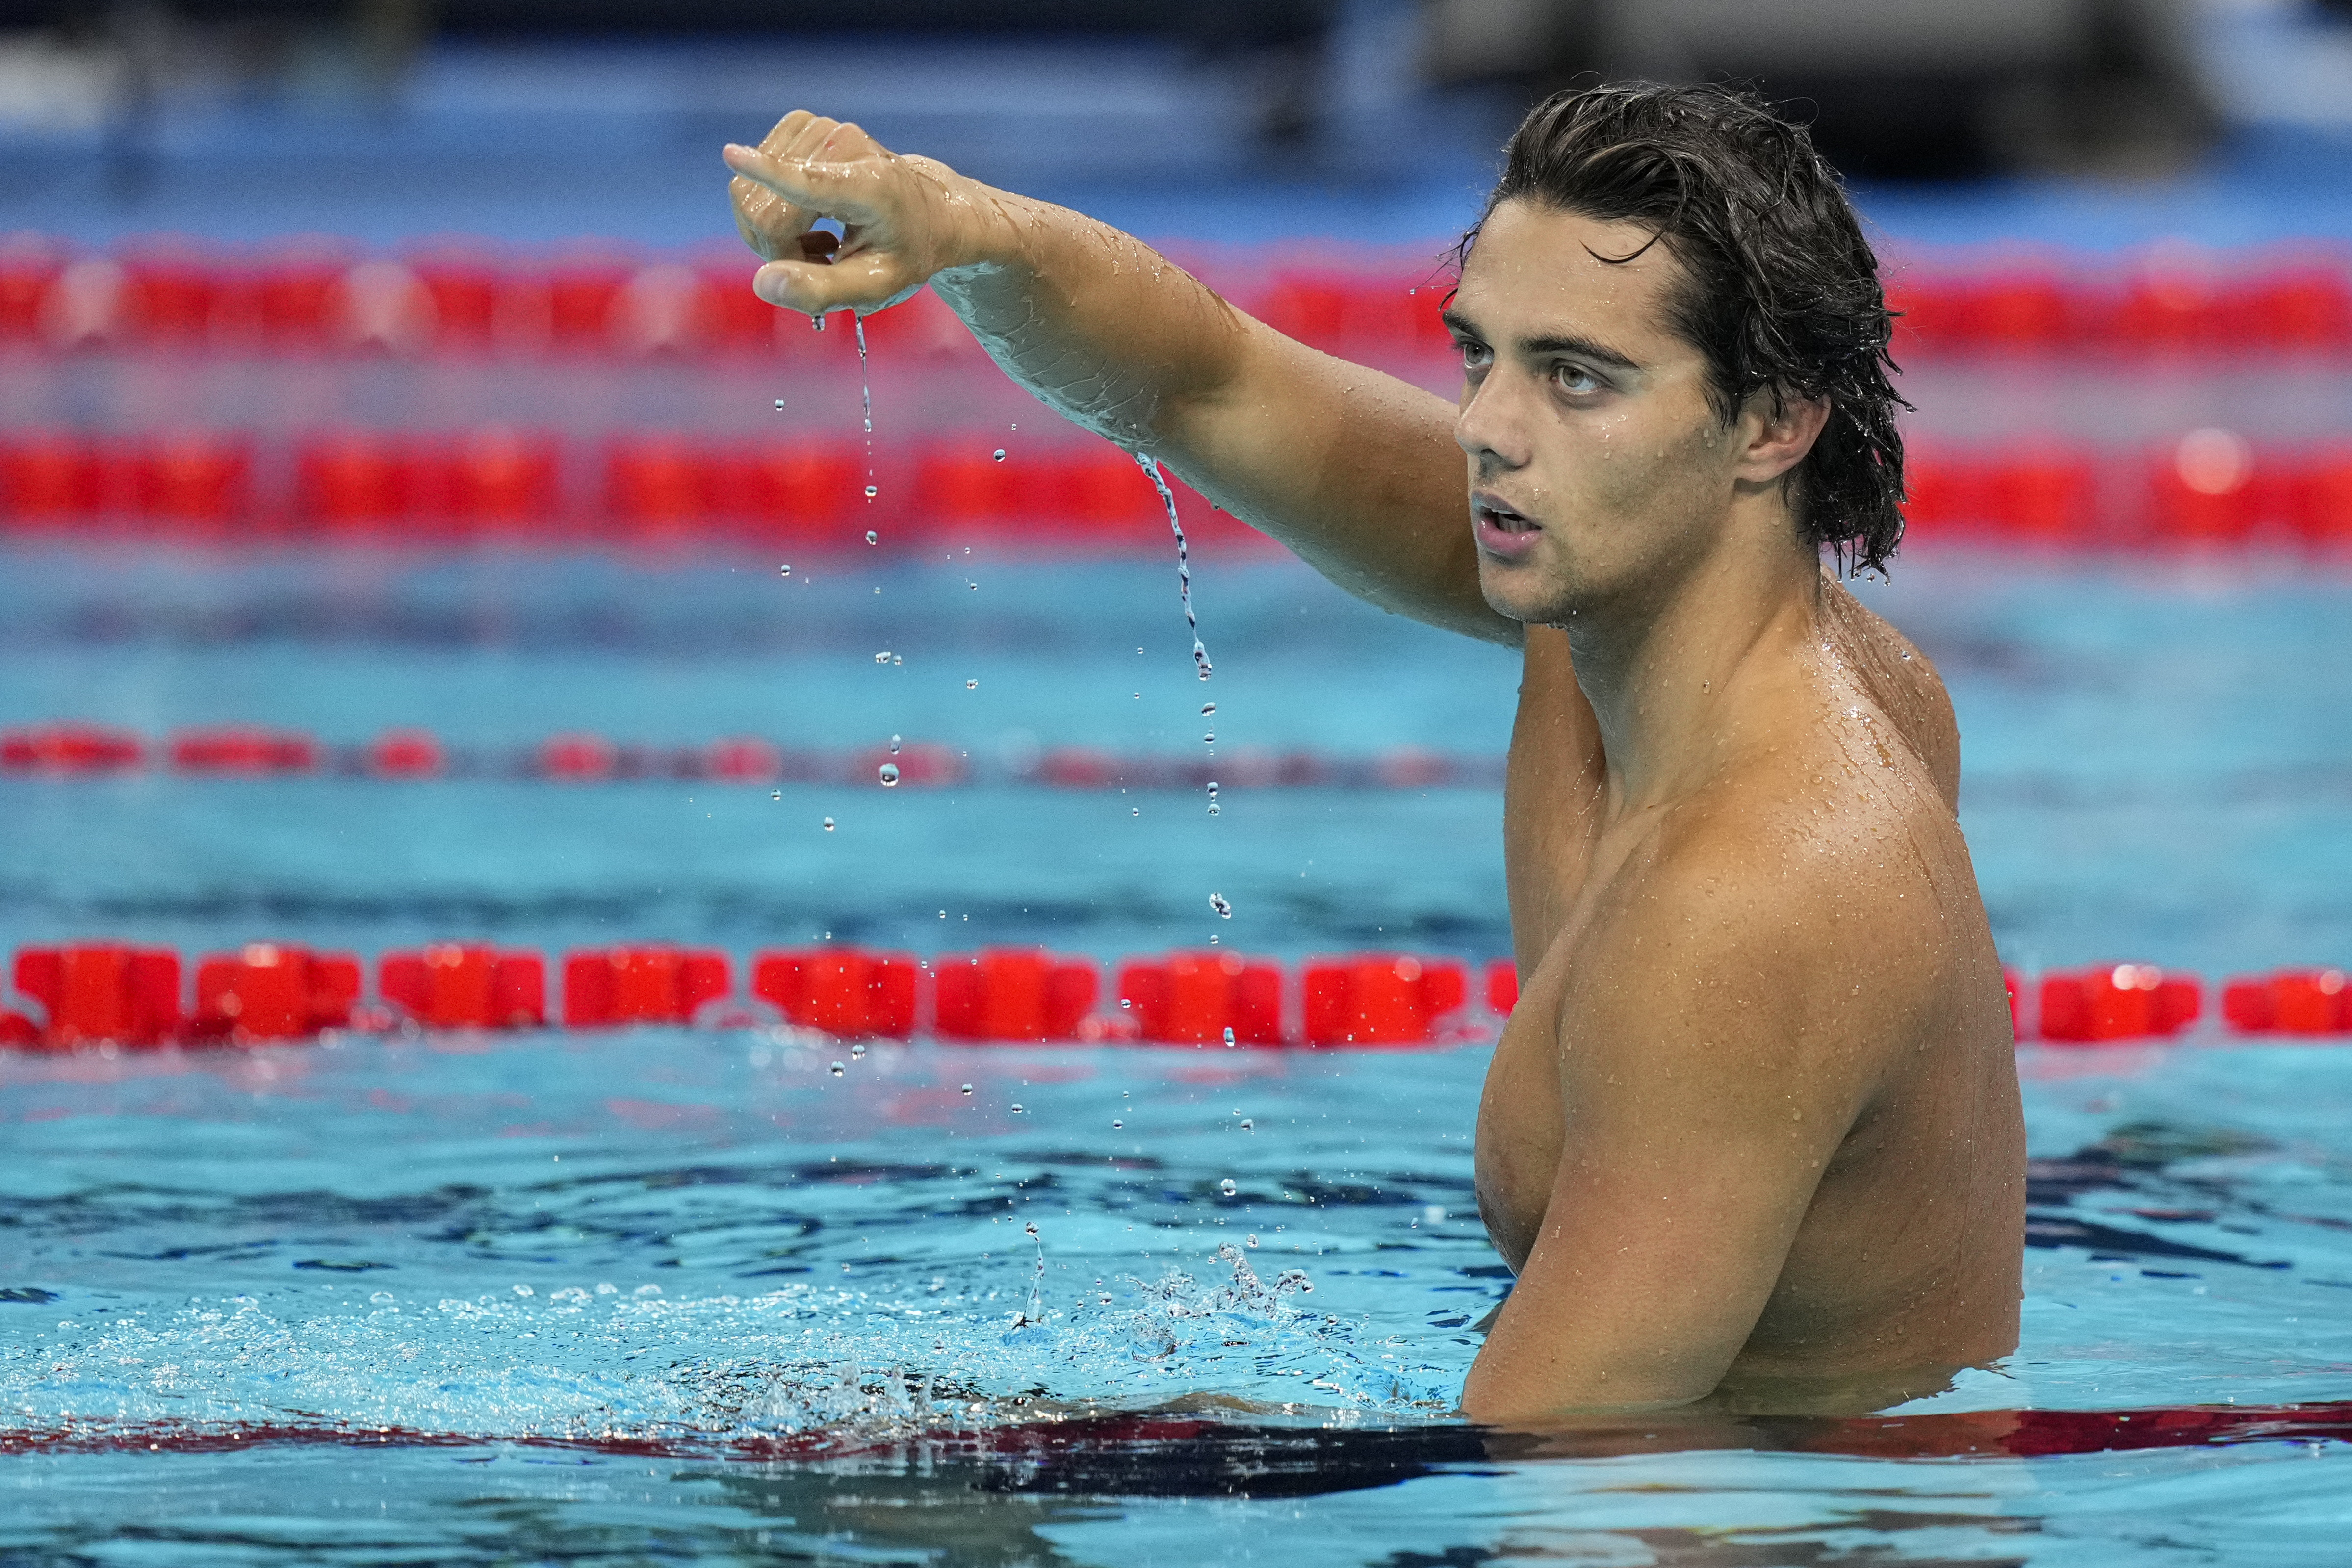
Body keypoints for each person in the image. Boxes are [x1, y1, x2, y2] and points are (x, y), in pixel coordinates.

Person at [722, 81, 2024, 1424]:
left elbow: (1548, 1468)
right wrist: (957, 223)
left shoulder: (1752, 895)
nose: (1487, 429)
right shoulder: (1613, 604)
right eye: (1480, 357)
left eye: (1574, 377)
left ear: (1771, 422)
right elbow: (1203, 381)